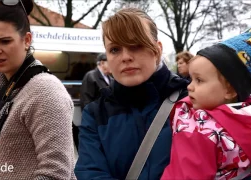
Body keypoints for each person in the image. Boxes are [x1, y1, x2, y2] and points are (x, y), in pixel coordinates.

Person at [0, 0, 76, 179]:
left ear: (27, 40)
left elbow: (56, 173)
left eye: (5, 41)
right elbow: (3, 151)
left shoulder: (46, 92)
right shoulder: (4, 86)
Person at [75, 8, 189, 180]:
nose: (126, 57)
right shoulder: (95, 114)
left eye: (136, 46)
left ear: (157, 49)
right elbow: (90, 173)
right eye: (115, 50)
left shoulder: (192, 101)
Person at [161, 24, 251, 180]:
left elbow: (185, 175)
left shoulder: (199, 129)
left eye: (199, 80)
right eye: (192, 79)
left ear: (230, 91)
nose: (189, 86)